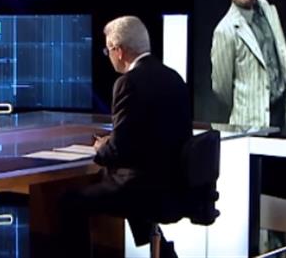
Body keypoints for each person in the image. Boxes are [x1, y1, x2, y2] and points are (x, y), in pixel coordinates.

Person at [59, 16, 191, 257]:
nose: (108, 56)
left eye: (108, 50)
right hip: (176, 186)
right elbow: (154, 135)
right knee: (129, 189)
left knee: (69, 203)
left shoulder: (127, 83)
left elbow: (118, 151)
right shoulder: (174, 77)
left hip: (143, 188)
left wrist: (101, 147)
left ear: (118, 51)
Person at [210, 0, 286, 129]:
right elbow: (221, 87)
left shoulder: (266, 7)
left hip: (278, 111)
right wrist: (247, 103)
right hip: (251, 121)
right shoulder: (226, 30)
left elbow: (279, 51)